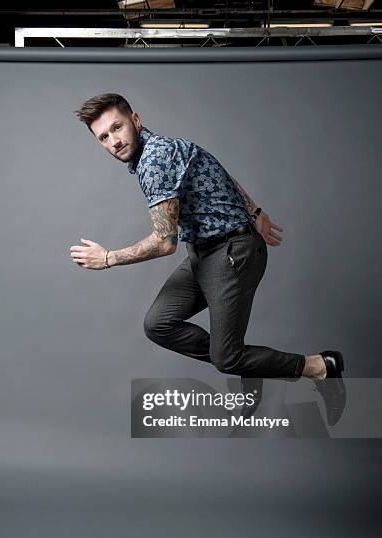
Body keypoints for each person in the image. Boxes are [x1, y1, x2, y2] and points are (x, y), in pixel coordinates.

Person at [71, 93, 346, 416]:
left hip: (232, 253)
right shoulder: (163, 148)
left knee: (227, 357)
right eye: (104, 137)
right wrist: (253, 208)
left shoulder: (155, 159)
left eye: (117, 128)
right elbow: (208, 164)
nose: (114, 141)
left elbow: (164, 243)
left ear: (136, 120)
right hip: (203, 253)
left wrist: (108, 258)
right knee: (159, 324)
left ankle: (320, 366)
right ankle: (250, 365)